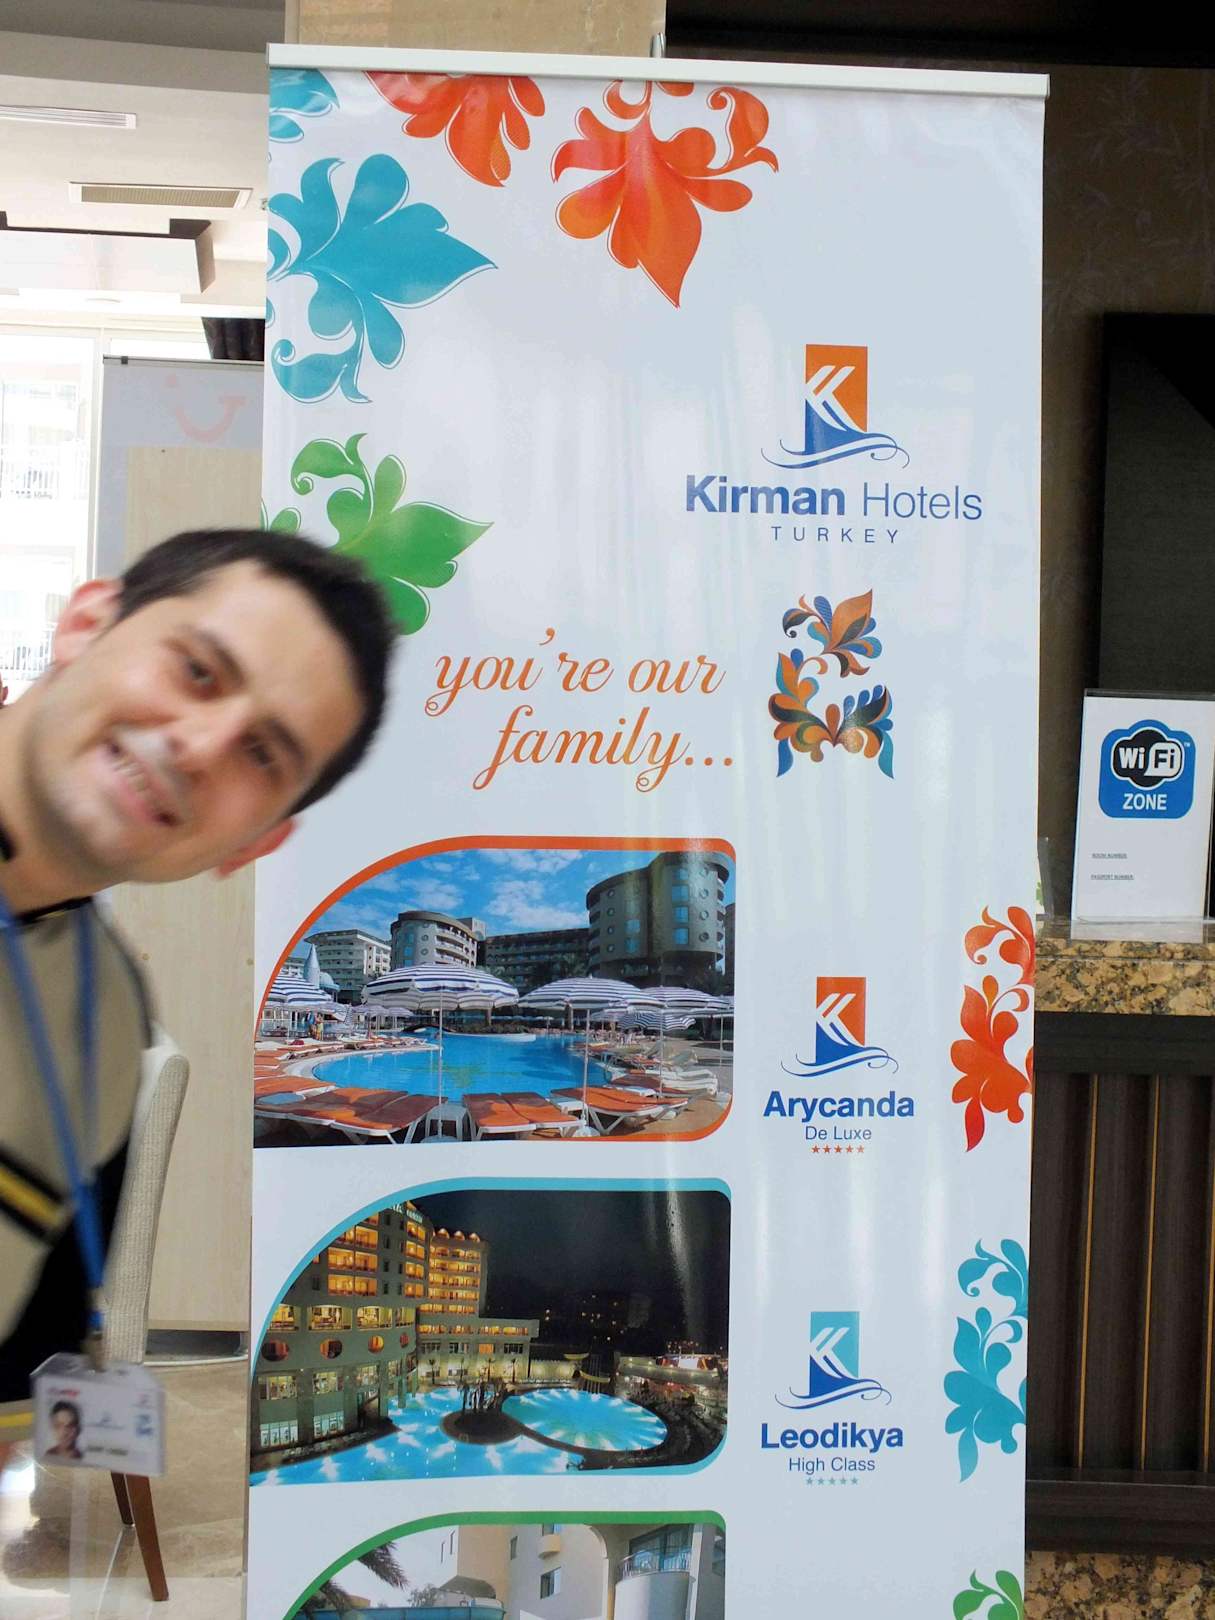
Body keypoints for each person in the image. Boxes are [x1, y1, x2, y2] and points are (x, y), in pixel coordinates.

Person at [0, 528, 394, 1460]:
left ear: (254, 844)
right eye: (198, 670)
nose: (200, 746)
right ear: (87, 622)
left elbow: (21, 1372)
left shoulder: (102, 1029)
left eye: (262, 754)